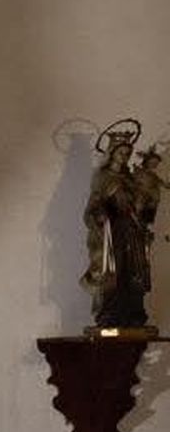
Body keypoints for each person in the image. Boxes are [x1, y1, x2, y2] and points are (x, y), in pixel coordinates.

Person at [82, 132, 152, 329]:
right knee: (114, 270)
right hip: (112, 233)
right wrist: (100, 215)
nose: (124, 156)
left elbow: (141, 206)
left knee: (135, 271)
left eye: (127, 152)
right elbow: (93, 207)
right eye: (121, 152)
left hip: (133, 231)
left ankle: (134, 313)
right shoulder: (103, 178)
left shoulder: (130, 179)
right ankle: (110, 314)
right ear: (111, 153)